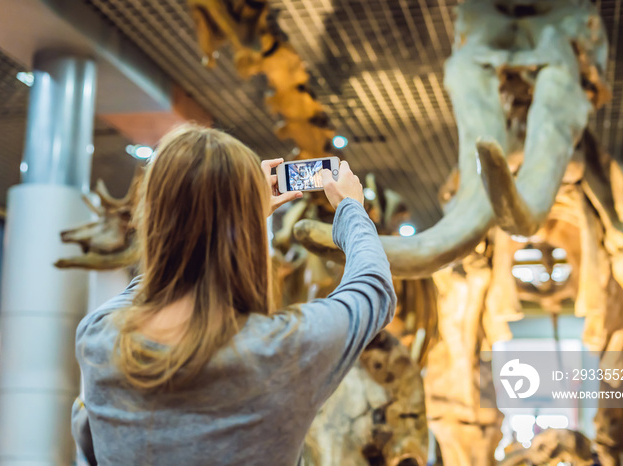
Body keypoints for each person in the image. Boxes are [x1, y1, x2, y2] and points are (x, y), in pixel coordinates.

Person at [73, 124, 397, 465]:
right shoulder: (284, 348)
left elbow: (159, 279)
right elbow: (373, 288)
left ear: (151, 218)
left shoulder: (98, 337)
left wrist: (229, 220)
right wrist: (350, 208)